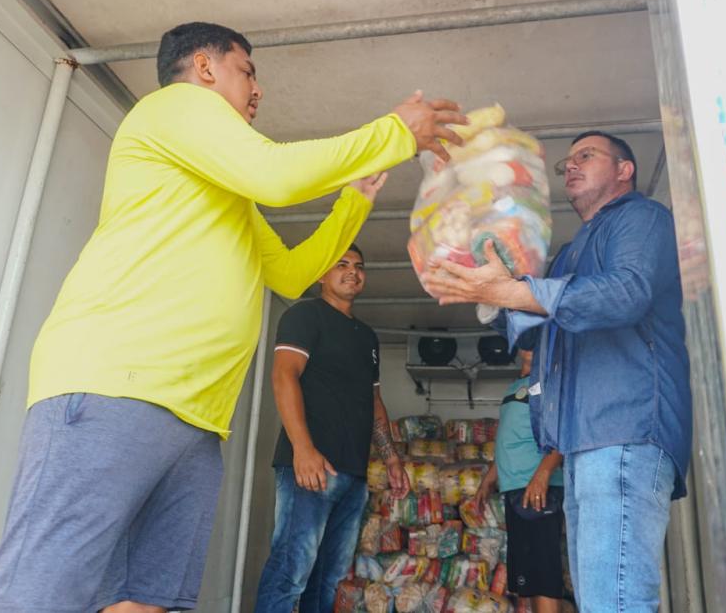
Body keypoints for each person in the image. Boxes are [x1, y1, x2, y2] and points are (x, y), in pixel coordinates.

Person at [0, 21, 466, 613]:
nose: (258, 89)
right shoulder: (173, 107)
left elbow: (289, 274)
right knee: (38, 592)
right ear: (205, 68)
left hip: (197, 420)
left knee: (145, 601)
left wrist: (354, 200)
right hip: (115, 388)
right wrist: (393, 132)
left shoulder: (226, 191)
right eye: (247, 71)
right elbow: (277, 174)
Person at [421, 131, 692, 612]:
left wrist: (520, 293)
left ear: (625, 169)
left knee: (616, 600)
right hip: (582, 442)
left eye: (586, 156)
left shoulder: (642, 218)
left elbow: (626, 293)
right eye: (566, 162)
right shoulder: (570, 252)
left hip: (624, 429)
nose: (571, 167)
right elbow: (534, 333)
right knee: (599, 601)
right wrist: (487, 289)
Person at [254, 244, 407, 612]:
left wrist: (391, 459)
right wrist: (303, 449)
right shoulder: (305, 316)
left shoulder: (367, 337)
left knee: (330, 579)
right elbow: (284, 376)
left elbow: (374, 401)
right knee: (290, 572)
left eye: (359, 265)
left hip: (352, 475)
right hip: (310, 470)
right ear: (322, 274)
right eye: (342, 264)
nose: (353, 271)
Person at [474, 350, 569, 613]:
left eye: (534, 340)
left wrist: (543, 475)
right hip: (517, 491)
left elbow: (562, 434)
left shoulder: (550, 382)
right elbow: (509, 440)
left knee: (544, 579)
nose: (528, 345)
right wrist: (488, 480)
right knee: (529, 581)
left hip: (537, 490)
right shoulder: (514, 387)